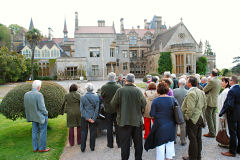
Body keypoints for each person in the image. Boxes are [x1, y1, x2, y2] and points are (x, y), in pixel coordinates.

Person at [111, 73, 146, 160]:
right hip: (136, 121)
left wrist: (119, 110)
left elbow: (113, 104)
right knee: (138, 144)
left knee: (125, 145)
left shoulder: (120, 90)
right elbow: (144, 104)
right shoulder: (138, 91)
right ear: (134, 81)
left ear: (125, 80)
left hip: (123, 121)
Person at [144, 81, 177, 160]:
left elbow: (152, 114)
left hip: (159, 124)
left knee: (160, 144)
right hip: (171, 124)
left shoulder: (156, 101)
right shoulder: (173, 99)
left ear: (158, 90)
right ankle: (169, 158)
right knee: (170, 142)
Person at [181, 76, 207, 160]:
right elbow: (205, 105)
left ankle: (192, 157)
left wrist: (186, 117)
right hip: (200, 117)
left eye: (187, 81)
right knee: (198, 138)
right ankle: (198, 156)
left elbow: (190, 108)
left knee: (193, 139)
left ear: (189, 83)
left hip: (193, 118)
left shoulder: (191, 93)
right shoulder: (201, 91)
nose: (186, 82)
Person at [24, 80, 50, 152]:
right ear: (38, 87)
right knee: (43, 131)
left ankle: (35, 148)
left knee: (34, 132)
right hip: (41, 116)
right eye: (40, 87)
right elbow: (42, 108)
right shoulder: (39, 94)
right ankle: (42, 148)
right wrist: (46, 113)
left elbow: (26, 106)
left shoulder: (26, 94)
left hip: (32, 116)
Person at [219, 75, 240, 157]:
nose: (229, 81)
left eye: (230, 80)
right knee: (238, 132)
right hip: (239, 113)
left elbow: (229, 104)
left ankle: (232, 151)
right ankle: (238, 149)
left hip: (233, 114)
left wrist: (222, 112)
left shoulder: (231, 91)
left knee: (233, 133)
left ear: (232, 81)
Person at [101, 72, 121, 148]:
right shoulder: (119, 86)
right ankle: (119, 143)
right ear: (115, 78)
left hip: (108, 109)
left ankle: (110, 144)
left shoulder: (104, 87)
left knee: (109, 127)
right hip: (116, 109)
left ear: (108, 78)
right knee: (117, 126)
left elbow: (102, 96)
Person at [80, 83, 99, 152]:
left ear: (86, 89)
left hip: (84, 117)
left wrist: (87, 117)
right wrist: (93, 118)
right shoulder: (96, 96)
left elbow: (81, 109)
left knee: (83, 132)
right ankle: (92, 147)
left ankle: (82, 148)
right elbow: (97, 109)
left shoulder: (82, 97)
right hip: (93, 117)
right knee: (93, 132)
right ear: (93, 89)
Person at [203, 69, 221, 138]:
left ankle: (211, 132)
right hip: (215, 100)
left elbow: (204, 89)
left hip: (210, 101)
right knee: (213, 116)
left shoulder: (212, 81)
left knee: (209, 117)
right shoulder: (219, 80)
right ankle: (214, 131)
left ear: (212, 74)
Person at [217, 77, 231, 148]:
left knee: (225, 128)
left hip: (223, 113)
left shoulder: (226, 92)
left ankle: (226, 142)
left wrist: (222, 116)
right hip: (222, 113)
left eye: (222, 81)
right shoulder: (226, 90)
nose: (221, 83)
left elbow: (223, 104)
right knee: (224, 128)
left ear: (226, 82)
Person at [173, 78, 188, 146]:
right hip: (183, 110)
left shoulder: (174, 91)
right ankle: (183, 140)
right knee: (183, 126)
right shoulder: (187, 92)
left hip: (175, 110)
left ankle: (174, 139)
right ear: (185, 84)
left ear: (179, 84)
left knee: (175, 125)